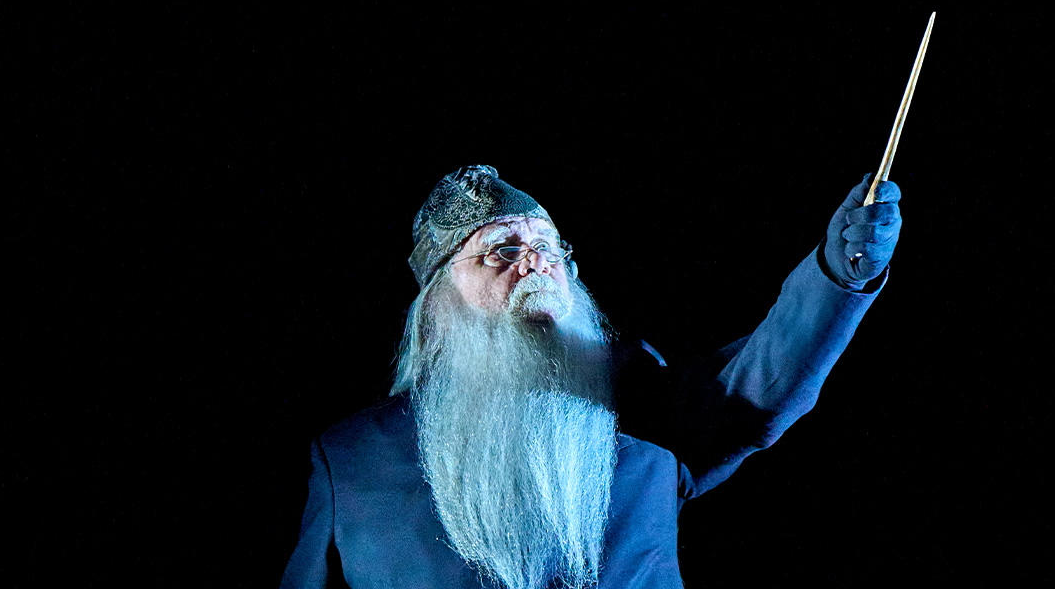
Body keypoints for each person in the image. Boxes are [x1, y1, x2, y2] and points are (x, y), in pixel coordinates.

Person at [280, 164, 902, 588]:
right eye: (502, 250)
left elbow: (756, 390)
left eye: (551, 247)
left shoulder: (639, 410)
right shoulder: (352, 460)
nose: (537, 264)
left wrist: (837, 273)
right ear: (440, 301)